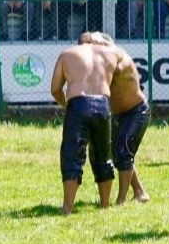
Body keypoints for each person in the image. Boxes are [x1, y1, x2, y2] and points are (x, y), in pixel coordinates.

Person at [50, 33, 121, 214]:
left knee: (72, 156)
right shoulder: (110, 54)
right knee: (103, 155)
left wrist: (67, 105)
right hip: (103, 104)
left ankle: (68, 207)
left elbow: (55, 89)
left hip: (78, 103)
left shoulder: (68, 53)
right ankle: (105, 205)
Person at [89, 32, 150, 205]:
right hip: (119, 114)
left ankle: (121, 200)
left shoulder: (118, 58)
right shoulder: (105, 60)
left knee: (124, 152)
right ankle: (139, 192)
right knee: (119, 154)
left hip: (136, 111)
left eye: (96, 45)